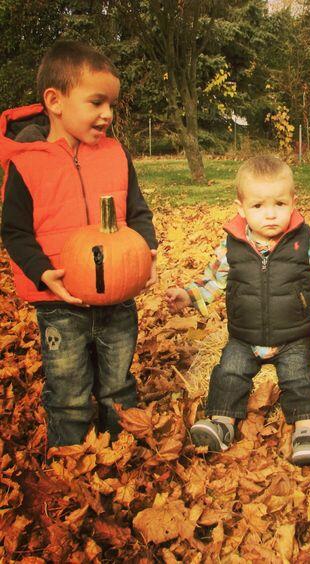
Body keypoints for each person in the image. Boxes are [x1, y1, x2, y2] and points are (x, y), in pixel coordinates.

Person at [0, 41, 158, 448]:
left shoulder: (115, 154)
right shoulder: (27, 162)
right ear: (55, 100)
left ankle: (120, 451)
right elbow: (15, 231)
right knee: (68, 392)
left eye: (112, 104)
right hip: (60, 303)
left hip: (118, 301)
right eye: (97, 102)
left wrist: (145, 253)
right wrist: (41, 271)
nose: (107, 114)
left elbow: (137, 213)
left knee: (118, 383)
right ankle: (70, 456)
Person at [166, 155, 310, 465]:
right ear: (241, 208)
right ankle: (222, 423)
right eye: (258, 206)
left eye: (280, 204)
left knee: (299, 375)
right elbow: (212, 280)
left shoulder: (303, 241)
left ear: (293, 202)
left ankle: (307, 431)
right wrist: (189, 296)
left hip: (293, 335)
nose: (270, 215)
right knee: (229, 370)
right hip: (245, 336)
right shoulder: (232, 245)